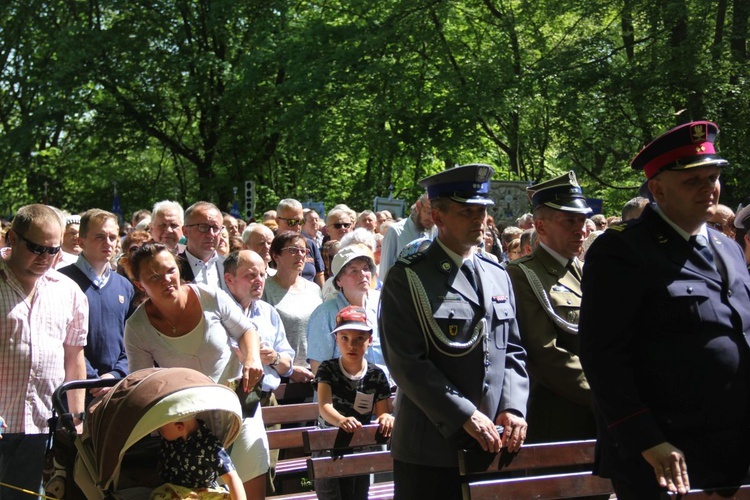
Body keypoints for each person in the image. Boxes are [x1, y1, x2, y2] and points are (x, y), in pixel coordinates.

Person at [579, 121, 750, 498]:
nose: (709, 189)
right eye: (693, 181)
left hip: (733, 450)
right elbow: (601, 356)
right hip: (665, 456)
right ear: (657, 189)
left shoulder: (728, 248)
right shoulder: (622, 252)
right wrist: (645, 439)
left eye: (713, 177)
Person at [378, 164, 529, 499]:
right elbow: (406, 363)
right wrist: (464, 414)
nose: (480, 220)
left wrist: (514, 406)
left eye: (483, 211)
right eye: (467, 212)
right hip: (431, 449)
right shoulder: (410, 276)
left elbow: (513, 349)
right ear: (438, 217)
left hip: (492, 441)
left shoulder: (496, 272)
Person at [124, 243, 268, 498]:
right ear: (139, 284)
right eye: (154, 277)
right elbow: (142, 383)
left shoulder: (209, 296)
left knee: (250, 482)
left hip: (240, 404)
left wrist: (252, 359)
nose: (166, 280)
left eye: (170, 270)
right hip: (189, 425)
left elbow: (247, 330)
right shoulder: (137, 327)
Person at [0, 204, 88, 499]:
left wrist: (75, 417)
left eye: (53, 250)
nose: (46, 258)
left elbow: (74, 356)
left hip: (42, 425)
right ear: (12, 238)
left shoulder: (68, 290)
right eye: (37, 248)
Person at [506, 172, 596, 443]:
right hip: (559, 418)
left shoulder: (586, 271)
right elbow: (544, 352)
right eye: (569, 220)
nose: (581, 229)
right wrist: (604, 394)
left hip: (600, 415)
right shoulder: (522, 274)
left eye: (582, 220)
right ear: (541, 226)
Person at [313, 306, 394, 500]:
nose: (352, 345)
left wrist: (386, 418)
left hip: (360, 449)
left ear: (370, 341)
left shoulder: (377, 375)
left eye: (359, 338)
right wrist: (341, 420)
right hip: (328, 447)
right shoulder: (327, 369)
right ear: (336, 340)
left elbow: (382, 411)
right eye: (345, 338)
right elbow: (324, 406)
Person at [59, 209, 135, 398]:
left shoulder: (125, 286)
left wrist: (115, 374)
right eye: (100, 236)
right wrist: (93, 378)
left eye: (112, 237)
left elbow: (132, 338)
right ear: (81, 241)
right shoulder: (61, 282)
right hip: (75, 388)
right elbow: (59, 338)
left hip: (116, 388)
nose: (108, 243)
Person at [307, 244, 388, 380]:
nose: (362, 274)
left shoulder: (382, 304)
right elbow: (318, 368)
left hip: (383, 389)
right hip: (342, 394)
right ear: (339, 280)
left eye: (366, 269)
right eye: (354, 271)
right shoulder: (325, 313)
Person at [262, 232, 323, 372]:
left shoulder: (314, 289)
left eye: (304, 251)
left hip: (315, 372)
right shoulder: (265, 289)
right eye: (293, 250)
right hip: (280, 373)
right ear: (276, 256)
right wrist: (290, 369)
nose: (300, 255)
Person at [154, 416, 246, 500]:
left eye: (160, 428)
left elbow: (232, 478)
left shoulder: (208, 445)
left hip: (202, 494)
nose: (157, 429)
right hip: (171, 491)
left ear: (179, 427)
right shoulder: (169, 440)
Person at [379, 194, 436, 278]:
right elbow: (385, 273)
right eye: (428, 212)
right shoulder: (395, 231)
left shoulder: (435, 232)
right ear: (418, 206)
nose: (432, 219)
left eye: (436, 215)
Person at [275, 199, 326, 288]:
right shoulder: (269, 246)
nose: (297, 226)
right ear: (278, 221)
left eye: (301, 222)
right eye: (292, 222)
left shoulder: (310, 245)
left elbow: (319, 277)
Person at [178, 201, 226, 289]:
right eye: (203, 227)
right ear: (185, 231)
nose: (211, 234)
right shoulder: (173, 267)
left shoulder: (229, 266)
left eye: (215, 228)